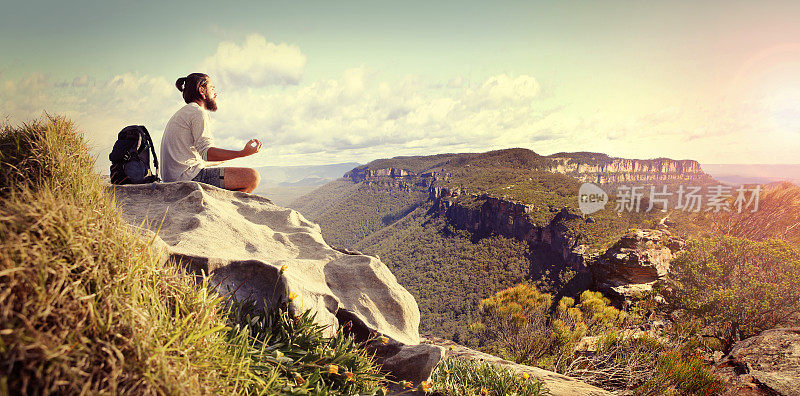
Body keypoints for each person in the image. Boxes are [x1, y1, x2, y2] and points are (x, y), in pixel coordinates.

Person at [160, 72, 262, 193]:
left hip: (173, 178)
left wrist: (219, 161)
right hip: (188, 179)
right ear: (202, 90)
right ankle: (226, 209)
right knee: (252, 177)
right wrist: (243, 153)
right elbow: (206, 153)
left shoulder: (184, 112)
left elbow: (193, 158)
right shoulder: (198, 112)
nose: (215, 93)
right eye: (212, 88)